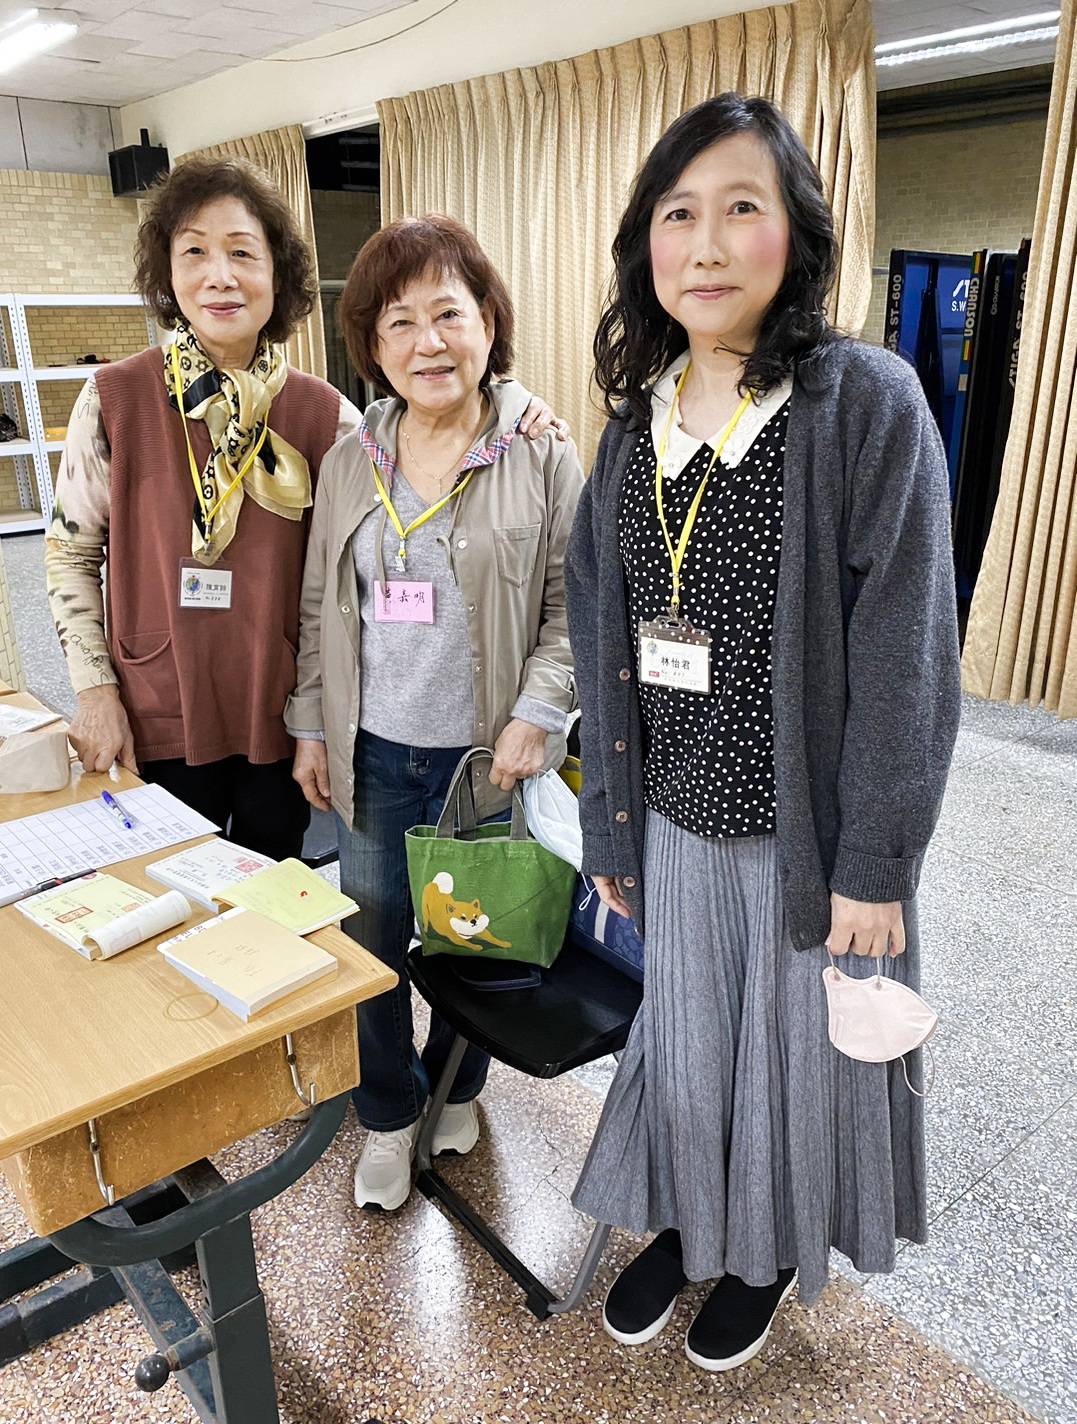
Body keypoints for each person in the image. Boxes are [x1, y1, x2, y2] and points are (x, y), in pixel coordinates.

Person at [565, 94, 960, 1372]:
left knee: (794, 1066)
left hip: (813, 840)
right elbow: (603, 630)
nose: (708, 242)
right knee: (688, 1053)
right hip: (675, 823)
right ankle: (692, 1220)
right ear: (646, 244)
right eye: (678, 213)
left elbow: (908, 652)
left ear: (796, 234)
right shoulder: (633, 425)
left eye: (743, 206)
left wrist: (876, 865)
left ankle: (767, 1247)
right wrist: (609, 827)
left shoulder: (861, 402)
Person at [45, 160, 560, 859]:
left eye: (242, 253)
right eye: (193, 252)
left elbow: (423, 425)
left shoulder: (325, 416)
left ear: (277, 274)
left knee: (275, 894)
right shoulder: (114, 399)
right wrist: (94, 690)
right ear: (167, 274)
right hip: (156, 705)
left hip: (276, 712)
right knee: (164, 884)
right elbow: (71, 554)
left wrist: (513, 404)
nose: (219, 276)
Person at [287, 215, 583, 1212]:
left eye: (449, 314)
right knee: (371, 941)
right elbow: (320, 607)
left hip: (487, 759)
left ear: (489, 323)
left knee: (470, 936)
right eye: (400, 322)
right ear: (372, 346)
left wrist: (539, 710)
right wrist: (310, 725)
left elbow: (575, 608)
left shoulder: (541, 453)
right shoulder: (349, 460)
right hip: (372, 750)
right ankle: (385, 1112)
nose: (429, 342)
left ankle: (456, 1088)